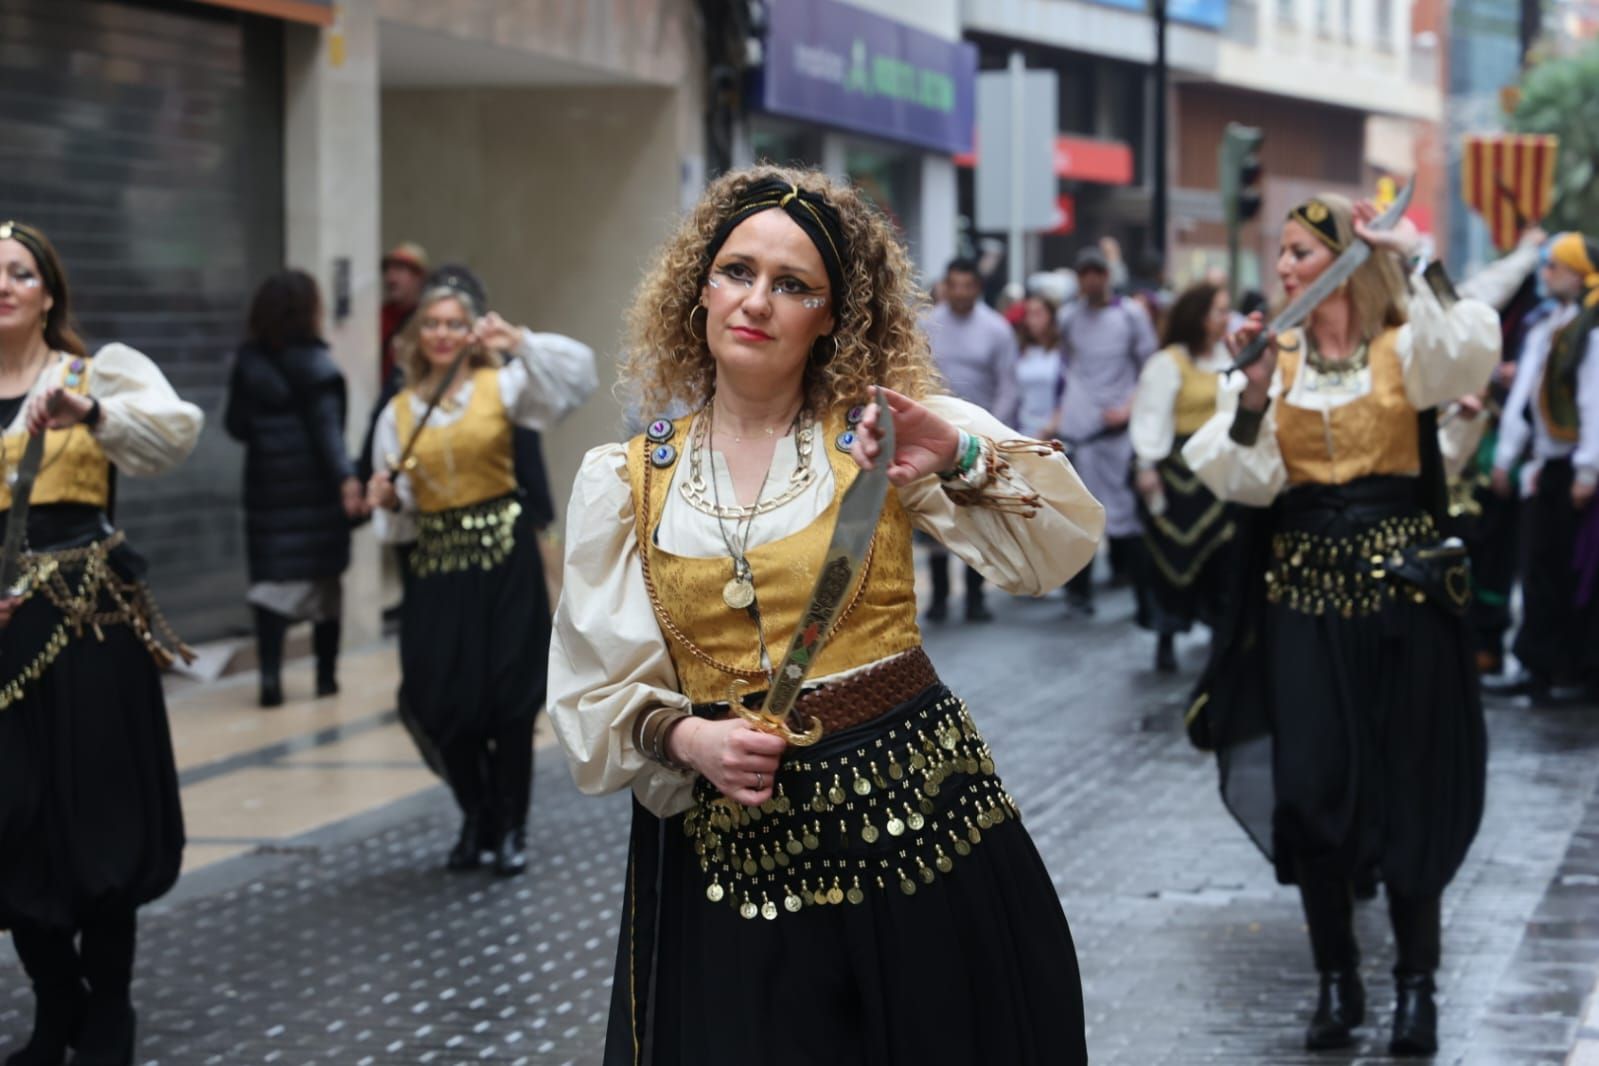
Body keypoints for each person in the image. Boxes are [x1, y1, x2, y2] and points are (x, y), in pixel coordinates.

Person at [548, 165, 1105, 1066]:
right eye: (736, 271)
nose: (756, 301)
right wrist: (689, 742)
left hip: (918, 830)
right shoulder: (627, 479)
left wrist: (958, 454)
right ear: (698, 290)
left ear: (832, 317)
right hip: (734, 850)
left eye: (793, 284)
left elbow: (1062, 544)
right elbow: (591, 691)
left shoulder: (879, 433)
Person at [1183, 194, 1499, 1054]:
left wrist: (1413, 251)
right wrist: (1248, 397)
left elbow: (1469, 349)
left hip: (1403, 608)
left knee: (1407, 792)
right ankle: (1335, 982)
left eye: (1299, 252)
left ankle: (1415, 988)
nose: (1283, 266)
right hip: (1304, 605)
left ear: (1347, 264)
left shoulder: (1403, 348)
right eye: (1280, 252)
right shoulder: (1270, 359)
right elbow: (1239, 479)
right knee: (1311, 793)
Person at [0, 220, 203, 1064]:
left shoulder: (96, 373)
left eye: (16, 272)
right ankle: (57, 1000)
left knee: (96, 823)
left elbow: (173, 431)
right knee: (11, 825)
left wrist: (91, 410)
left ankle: (109, 1007)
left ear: (48, 290)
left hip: (87, 629)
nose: (2, 285)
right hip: (5, 639)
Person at [367, 282, 595, 876]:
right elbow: (395, 524)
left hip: (505, 561)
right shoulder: (396, 413)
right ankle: (478, 813)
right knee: (440, 701)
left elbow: (577, 379)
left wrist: (516, 340)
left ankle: (511, 828)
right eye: (432, 324)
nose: (442, 334)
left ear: (469, 331)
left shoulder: (505, 386)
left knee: (509, 705)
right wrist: (386, 501)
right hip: (437, 568)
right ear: (417, 336)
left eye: (453, 323)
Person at [224, 270, 367, 708]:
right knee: (325, 589)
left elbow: (235, 425)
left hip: (268, 492)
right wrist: (347, 478)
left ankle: (271, 678)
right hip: (316, 494)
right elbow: (329, 435)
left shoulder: (249, 363)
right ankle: (326, 678)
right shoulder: (319, 366)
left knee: (270, 586)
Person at [1488, 232, 1599, 703]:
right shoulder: (1548, 324)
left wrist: (1588, 469)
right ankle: (1538, 666)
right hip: (1547, 465)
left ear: (1578, 273)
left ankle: (1568, 670)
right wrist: (1508, 457)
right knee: (1539, 570)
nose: (1546, 274)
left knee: (1571, 573)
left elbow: (1595, 401)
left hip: (1573, 469)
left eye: (1554, 266)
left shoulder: (1590, 328)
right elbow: (1523, 398)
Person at [1129, 282, 1236, 672]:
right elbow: (1151, 417)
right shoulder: (1168, 362)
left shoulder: (1229, 356)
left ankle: (1218, 630)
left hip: (1219, 471)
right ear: (1199, 317)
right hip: (1178, 472)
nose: (1226, 319)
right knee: (1171, 556)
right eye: (1219, 311)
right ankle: (1167, 635)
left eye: (1227, 311)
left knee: (1222, 555)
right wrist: (1147, 467)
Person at [1057, 244, 1159, 614]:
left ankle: (1146, 599)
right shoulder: (1069, 317)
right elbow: (1068, 365)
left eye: (1096, 272)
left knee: (1124, 514)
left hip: (1119, 433)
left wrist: (1129, 408)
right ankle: (1078, 594)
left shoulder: (1131, 316)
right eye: (1084, 272)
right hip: (1082, 433)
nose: (1090, 279)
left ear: (1107, 275)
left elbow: (1151, 368)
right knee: (1079, 514)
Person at [920, 257, 1019, 622]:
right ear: (947, 285)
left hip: (980, 438)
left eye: (968, 285)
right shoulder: (926, 324)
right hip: (933, 434)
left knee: (977, 515)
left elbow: (1009, 383)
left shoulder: (997, 329)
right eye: (954, 285)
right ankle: (941, 596)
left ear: (978, 287)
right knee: (937, 515)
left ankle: (976, 596)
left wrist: (996, 430)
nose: (960, 292)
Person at [1015, 293, 1064, 441]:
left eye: (1038, 314)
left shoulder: (1061, 353)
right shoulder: (1021, 352)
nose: (1032, 320)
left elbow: (1067, 394)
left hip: (1053, 432)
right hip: (1022, 430)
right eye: (1029, 314)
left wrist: (1051, 426)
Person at [380, 242, 427, 384]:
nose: (390, 278)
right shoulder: (379, 318)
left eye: (399, 270)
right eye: (388, 270)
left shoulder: (430, 320)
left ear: (418, 277)